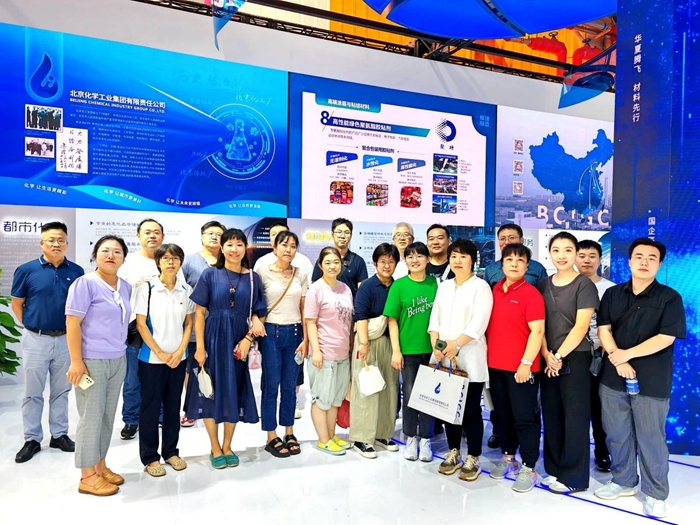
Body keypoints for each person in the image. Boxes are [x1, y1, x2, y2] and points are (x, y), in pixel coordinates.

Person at [594, 239, 685, 519]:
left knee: (651, 438)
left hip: (652, 379)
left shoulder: (669, 298)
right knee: (617, 433)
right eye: (639, 256)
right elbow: (603, 329)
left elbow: (665, 338)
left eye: (651, 258)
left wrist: (626, 355)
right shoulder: (613, 294)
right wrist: (618, 359)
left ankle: (656, 493)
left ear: (659, 263)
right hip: (613, 377)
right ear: (630, 261)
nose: (644, 262)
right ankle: (623, 481)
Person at [186, 228, 266, 469]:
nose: (234, 249)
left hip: (239, 340)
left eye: (239, 244)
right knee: (209, 392)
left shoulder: (253, 278)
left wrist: (248, 339)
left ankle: (228, 445)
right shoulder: (210, 274)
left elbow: (258, 313)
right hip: (212, 338)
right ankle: (215, 447)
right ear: (222, 248)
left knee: (234, 389)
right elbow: (199, 313)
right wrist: (200, 347)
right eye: (229, 244)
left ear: (245, 248)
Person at [11, 222, 84, 463]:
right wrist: (31, 326)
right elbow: (17, 303)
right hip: (36, 339)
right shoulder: (26, 270)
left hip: (66, 340)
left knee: (62, 390)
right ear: (42, 243)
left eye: (61, 240)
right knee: (32, 393)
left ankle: (59, 434)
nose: (56, 244)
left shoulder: (76, 271)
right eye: (51, 240)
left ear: (67, 243)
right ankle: (32, 438)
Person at [64, 236, 132, 497]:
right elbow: (72, 323)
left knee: (106, 416)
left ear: (124, 258)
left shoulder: (125, 287)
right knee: (90, 417)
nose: (111, 255)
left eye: (117, 251)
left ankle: (100, 466)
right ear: (95, 255)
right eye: (105, 251)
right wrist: (76, 361)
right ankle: (87, 476)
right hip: (91, 361)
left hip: (118, 358)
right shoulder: (85, 284)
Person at [537, 232, 598, 494]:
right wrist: (546, 355)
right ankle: (554, 468)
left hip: (575, 358)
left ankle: (573, 477)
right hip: (547, 358)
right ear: (549, 253)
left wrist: (558, 356)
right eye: (556, 250)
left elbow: (581, 326)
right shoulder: (542, 284)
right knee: (551, 415)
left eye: (568, 250)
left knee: (575, 417)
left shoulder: (584, 285)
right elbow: (537, 325)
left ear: (575, 253)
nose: (561, 256)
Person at [428, 239, 493, 481]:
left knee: (470, 410)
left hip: (470, 357)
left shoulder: (481, 287)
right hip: (444, 358)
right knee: (448, 409)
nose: (457, 261)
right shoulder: (444, 286)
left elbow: (479, 323)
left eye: (463, 256)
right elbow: (435, 319)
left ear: (472, 260)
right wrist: (437, 346)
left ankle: (473, 456)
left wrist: (456, 344)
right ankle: (453, 451)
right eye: (454, 256)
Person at [486, 243, 545, 493]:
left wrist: (526, 364)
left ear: (527, 266)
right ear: (501, 265)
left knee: (525, 418)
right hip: (495, 366)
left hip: (522, 369)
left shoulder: (531, 294)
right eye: (509, 259)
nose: (514, 264)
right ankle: (509, 458)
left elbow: (537, 331)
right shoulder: (494, 290)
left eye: (520, 260)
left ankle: (529, 467)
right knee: (503, 416)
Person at [135, 243, 195, 476]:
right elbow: (141, 324)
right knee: (150, 408)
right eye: (166, 258)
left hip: (178, 359)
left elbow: (189, 323)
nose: (171, 262)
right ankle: (150, 457)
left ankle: (171, 452)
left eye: (175, 258)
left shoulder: (186, 289)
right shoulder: (147, 288)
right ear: (158, 261)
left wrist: (180, 352)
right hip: (152, 359)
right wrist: (160, 353)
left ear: (180, 262)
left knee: (172, 407)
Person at [385, 241, 438, 462]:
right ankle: (410, 437)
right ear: (405, 261)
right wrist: (396, 350)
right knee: (409, 395)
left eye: (419, 256)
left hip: (433, 352)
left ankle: (426, 439)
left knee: (429, 397)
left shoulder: (437, 285)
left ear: (428, 259)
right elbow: (392, 321)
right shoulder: (399, 286)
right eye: (410, 256)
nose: (415, 260)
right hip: (408, 351)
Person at [256, 230, 308, 458]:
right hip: (271, 334)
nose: (288, 249)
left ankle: (289, 431)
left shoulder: (300, 273)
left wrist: (306, 339)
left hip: (295, 334)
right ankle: (271, 435)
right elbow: (256, 305)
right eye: (284, 245)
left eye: (293, 246)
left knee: (290, 385)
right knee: (271, 386)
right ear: (275, 248)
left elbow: (304, 308)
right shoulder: (262, 272)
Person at [350, 243, 401, 459]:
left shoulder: (397, 286)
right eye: (382, 261)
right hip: (369, 342)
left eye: (391, 261)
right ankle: (361, 438)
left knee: (389, 390)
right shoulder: (368, 287)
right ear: (375, 263)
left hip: (390, 344)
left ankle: (382, 434)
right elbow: (360, 317)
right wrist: (363, 344)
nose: (387, 265)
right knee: (367, 390)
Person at [118, 218, 167, 440]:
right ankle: (131, 419)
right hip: (134, 328)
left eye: (156, 232)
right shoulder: (127, 263)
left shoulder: (169, 259)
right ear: (138, 236)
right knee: (132, 378)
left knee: (161, 375)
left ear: (163, 236)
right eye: (147, 232)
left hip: (164, 328)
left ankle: (160, 414)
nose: (152, 236)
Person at [305, 247, 354, 456]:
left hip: (342, 353)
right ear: (320, 265)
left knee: (335, 399)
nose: (332, 266)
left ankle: (332, 436)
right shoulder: (316, 289)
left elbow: (349, 321)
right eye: (328, 262)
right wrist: (316, 350)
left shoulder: (345, 289)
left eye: (336, 262)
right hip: (324, 353)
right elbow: (310, 322)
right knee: (321, 399)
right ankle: (323, 440)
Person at [180, 220, 226, 427]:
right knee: (192, 369)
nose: (214, 237)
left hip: (221, 328)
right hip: (194, 325)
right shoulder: (189, 261)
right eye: (210, 233)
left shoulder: (229, 261)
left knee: (219, 367)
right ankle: (191, 409)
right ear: (202, 236)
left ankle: (216, 405)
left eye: (219, 234)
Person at [576, 239, 615, 472]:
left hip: (600, 357)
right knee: (575, 408)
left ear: (600, 259)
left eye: (592, 256)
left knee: (599, 408)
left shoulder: (610, 289)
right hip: (572, 356)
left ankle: (602, 451)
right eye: (582, 255)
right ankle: (576, 454)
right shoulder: (565, 284)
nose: (587, 260)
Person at [311, 218, 367, 297]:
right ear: (332, 234)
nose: (342, 236)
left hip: (349, 303)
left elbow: (362, 291)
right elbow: (315, 286)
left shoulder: (358, 261)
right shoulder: (323, 259)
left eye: (346, 232)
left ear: (351, 235)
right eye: (339, 232)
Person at [254, 221, 314, 285]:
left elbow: (309, 285)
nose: (278, 237)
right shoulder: (261, 262)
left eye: (282, 234)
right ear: (270, 240)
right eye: (274, 234)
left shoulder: (304, 261)